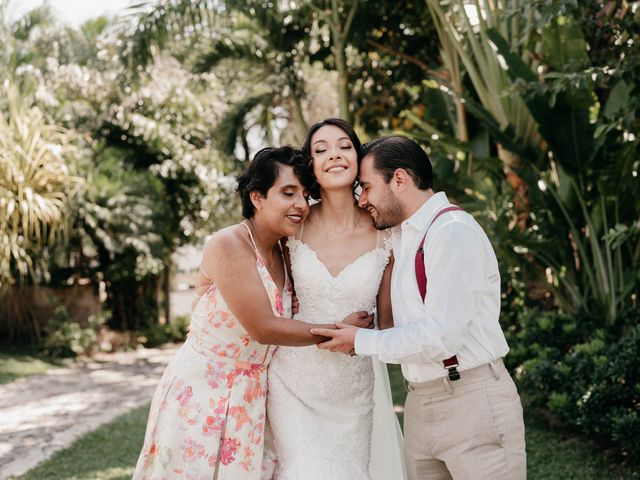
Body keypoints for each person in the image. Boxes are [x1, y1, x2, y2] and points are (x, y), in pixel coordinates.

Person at [133, 146, 373, 480]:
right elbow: (265, 327)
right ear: (257, 197)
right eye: (287, 193)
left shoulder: (285, 251)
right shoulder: (229, 244)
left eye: (305, 195)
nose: (301, 205)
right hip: (204, 390)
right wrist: (338, 331)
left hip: (255, 395)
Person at [310, 136, 526, 480]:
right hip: (419, 404)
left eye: (366, 187)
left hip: (471, 400)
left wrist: (360, 342)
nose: (362, 199)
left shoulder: (452, 232)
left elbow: (441, 337)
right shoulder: (400, 237)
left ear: (399, 179)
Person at [265, 119, 406, 480]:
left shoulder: (384, 232)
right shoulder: (294, 222)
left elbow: (387, 324)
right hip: (293, 383)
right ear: (310, 164)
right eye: (321, 149)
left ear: (359, 158)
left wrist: (366, 328)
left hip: (353, 390)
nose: (334, 155)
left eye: (344, 146)